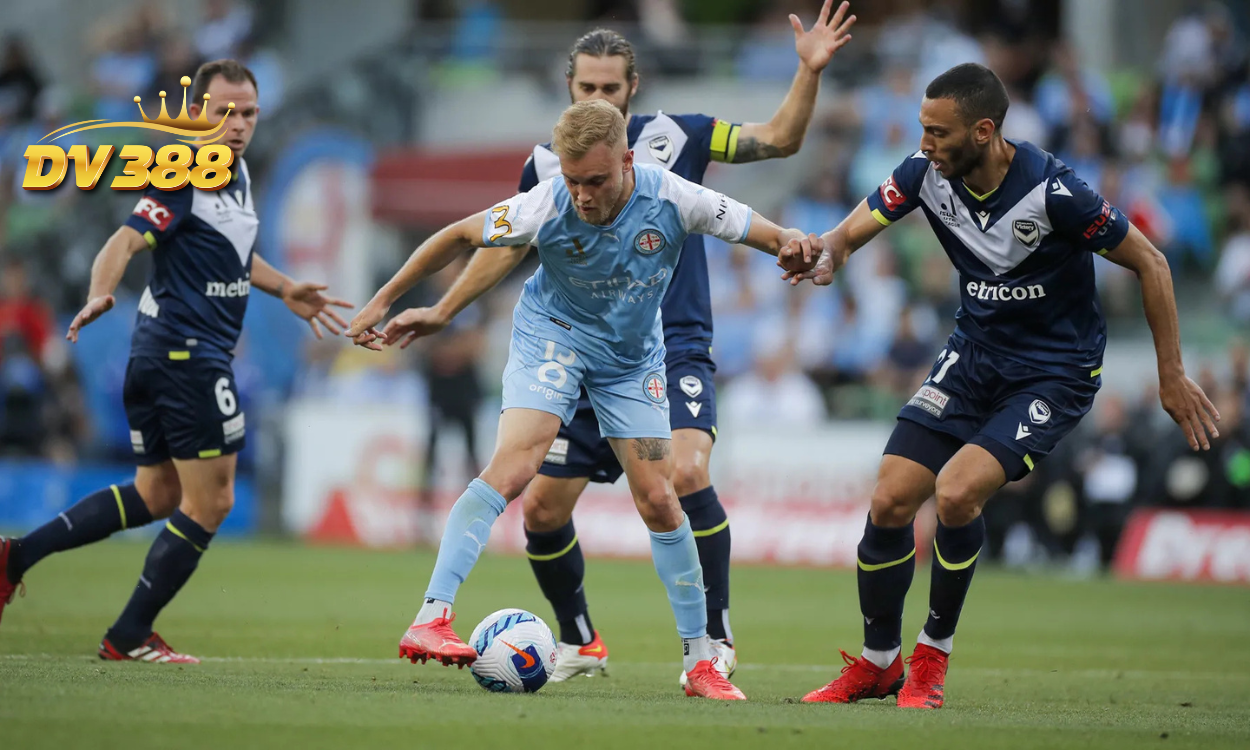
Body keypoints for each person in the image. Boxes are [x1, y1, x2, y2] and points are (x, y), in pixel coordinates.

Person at [381, 1, 856, 685]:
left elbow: (779, 139)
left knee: (680, 479)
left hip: (668, 342)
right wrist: (446, 308)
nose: (600, 97)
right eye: (587, 88)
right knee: (541, 508)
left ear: (633, 89)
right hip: (574, 344)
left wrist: (807, 72)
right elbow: (504, 249)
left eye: (611, 87)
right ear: (569, 90)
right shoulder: (551, 168)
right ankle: (578, 642)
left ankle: (711, 644)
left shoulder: (679, 137)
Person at [778, 63, 1219, 709]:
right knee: (891, 500)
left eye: (938, 131)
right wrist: (823, 256)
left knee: (955, 494)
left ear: (984, 131)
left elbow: (1151, 262)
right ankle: (879, 664)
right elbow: (848, 236)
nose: (924, 143)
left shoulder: (1056, 193)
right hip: (974, 356)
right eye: (922, 129)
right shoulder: (925, 175)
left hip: (1053, 371)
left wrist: (1171, 373)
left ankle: (932, 658)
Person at [0, 60, 352, 663]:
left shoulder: (232, 172)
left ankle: (16, 556)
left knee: (157, 492)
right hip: (187, 356)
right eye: (224, 112)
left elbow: (229, 252)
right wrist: (99, 291)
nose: (237, 125)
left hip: (163, 354)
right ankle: (129, 634)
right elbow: (125, 239)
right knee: (212, 502)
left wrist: (284, 286)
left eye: (248, 114)